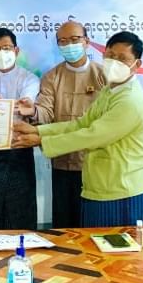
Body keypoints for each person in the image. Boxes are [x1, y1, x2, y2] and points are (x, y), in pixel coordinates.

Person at [13, 31, 143, 227]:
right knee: (92, 252)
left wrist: (41, 141)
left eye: (122, 58)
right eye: (111, 56)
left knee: (119, 256)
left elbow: (93, 135)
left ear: (136, 65)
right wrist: (38, 131)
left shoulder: (131, 101)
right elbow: (81, 124)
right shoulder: (109, 91)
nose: (114, 62)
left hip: (122, 195)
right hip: (97, 189)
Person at [35, 21, 106, 228]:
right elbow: (45, 112)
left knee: (93, 224)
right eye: (63, 41)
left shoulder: (103, 75)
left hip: (95, 162)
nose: (69, 45)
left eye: (75, 40)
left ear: (87, 42)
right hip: (62, 163)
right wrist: (33, 111)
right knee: (64, 224)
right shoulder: (52, 77)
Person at [0, 28, 45, 231]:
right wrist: (5, 108)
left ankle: (22, 250)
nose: (1, 54)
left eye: (6, 48)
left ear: (16, 50)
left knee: (20, 208)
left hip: (19, 147)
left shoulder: (29, 78)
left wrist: (0, 107)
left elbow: (26, 104)